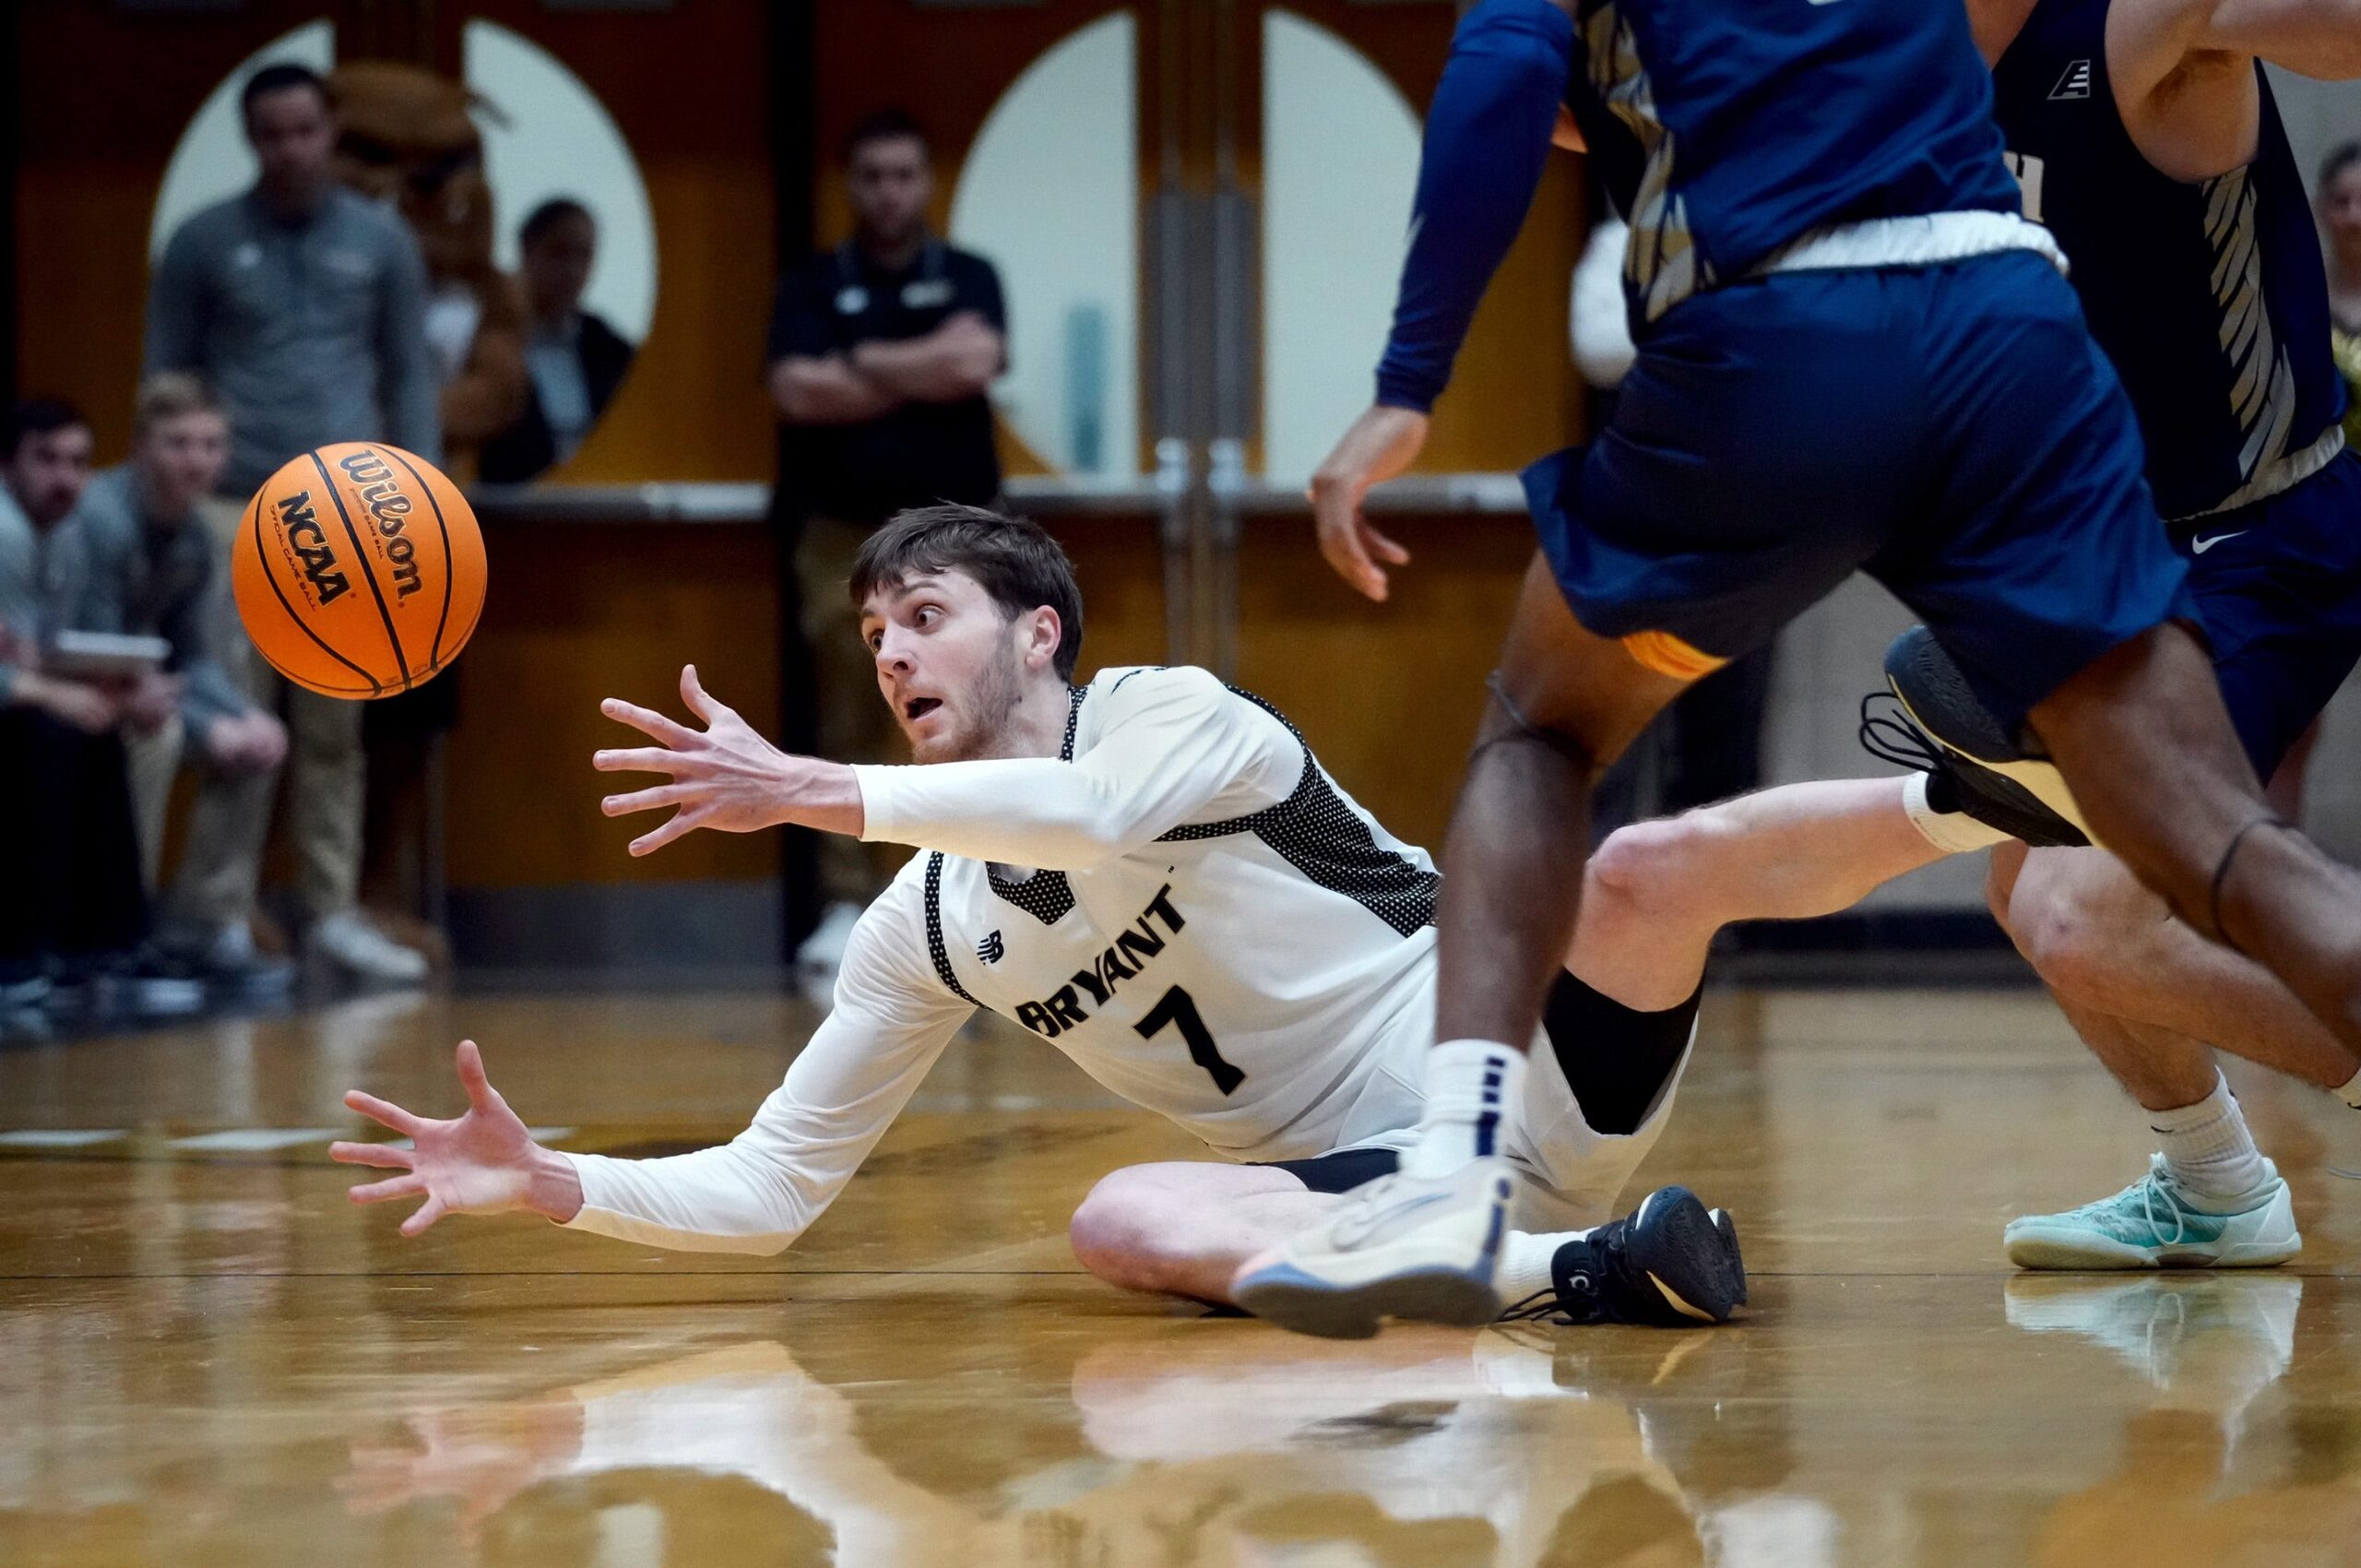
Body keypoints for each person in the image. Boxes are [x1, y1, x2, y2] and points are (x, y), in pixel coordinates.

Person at [1241, 0, 2361, 1336]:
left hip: (2102, 472)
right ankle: (2215, 1181)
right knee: (2144, 867)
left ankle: (1451, 1172)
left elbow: (1504, 78)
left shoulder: (2133, 22)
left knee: (1546, 738)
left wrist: (1408, 382)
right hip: (2021, 381)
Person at [331, 505, 1748, 1330]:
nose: (890, 653)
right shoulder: (925, 925)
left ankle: (1955, 790)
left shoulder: (1165, 718)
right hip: (1361, 1175)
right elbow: (772, 1187)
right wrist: (555, 1184)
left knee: (1660, 859)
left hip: (1512, 1065)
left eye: (924, 616)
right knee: (1118, 1219)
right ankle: (1597, 1273)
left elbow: (1100, 820)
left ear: (1037, 634)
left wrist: (816, 790)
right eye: (875, 636)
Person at [144, 60, 436, 987]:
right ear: (250, 138)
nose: (290, 149)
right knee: (234, 715)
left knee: (332, 727)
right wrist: (169, 502)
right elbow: (166, 375)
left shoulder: (382, 242)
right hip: (231, 502)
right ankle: (219, 912)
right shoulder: (200, 241)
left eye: (304, 130)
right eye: (270, 134)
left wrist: (423, 502)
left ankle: (333, 909)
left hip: (348, 508)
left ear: (330, 129)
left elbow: (409, 374)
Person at [766, 109, 1008, 995]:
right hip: (844, 534)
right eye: (872, 175)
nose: (889, 192)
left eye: (905, 174)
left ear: (927, 182)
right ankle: (846, 902)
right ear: (850, 184)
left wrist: (861, 364)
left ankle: (974, 884)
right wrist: (919, 365)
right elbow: (798, 390)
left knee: (975, 711)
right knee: (853, 710)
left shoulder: (971, 274)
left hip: (962, 535)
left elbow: (975, 360)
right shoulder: (811, 284)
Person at [0, 400, 197, 1018]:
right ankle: (21, 950)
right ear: (8, 466)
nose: (65, 478)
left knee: (94, 727)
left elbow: (30, 650)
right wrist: (50, 690)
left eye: (78, 462)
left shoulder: (61, 534)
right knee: (54, 732)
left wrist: (104, 689)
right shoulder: (4, 531)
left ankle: (103, 943)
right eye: (46, 460)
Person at [68, 376, 288, 893]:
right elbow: (99, 654)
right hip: (76, 682)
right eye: (179, 444)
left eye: (212, 446)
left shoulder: (194, 537)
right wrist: (204, 726)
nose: (197, 461)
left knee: (260, 741)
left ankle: (207, 921)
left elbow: (191, 655)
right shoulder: (101, 520)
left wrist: (241, 714)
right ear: (139, 447)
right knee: (157, 734)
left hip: (134, 685)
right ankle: (125, 919)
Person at [478, 198, 637, 484]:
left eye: (584, 255)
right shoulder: (487, 336)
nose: (572, 270)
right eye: (558, 253)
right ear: (527, 250)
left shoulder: (611, 349)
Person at [2325, 143, 2361, 450]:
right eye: (2342, 202)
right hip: (2323, 486)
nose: (2354, 218)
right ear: (2319, 208)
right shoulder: (2297, 303)